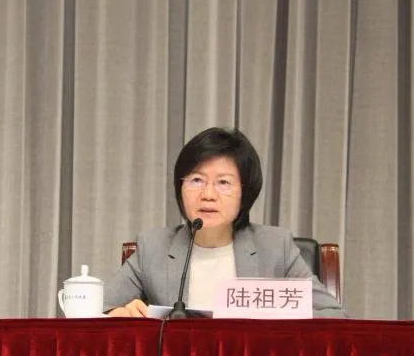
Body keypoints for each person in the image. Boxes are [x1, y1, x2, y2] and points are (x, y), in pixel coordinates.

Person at [104, 127, 346, 318]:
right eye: (196, 180)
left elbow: (334, 315)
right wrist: (116, 313)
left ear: (245, 194)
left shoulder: (275, 248)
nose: (208, 194)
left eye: (223, 183)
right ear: (180, 188)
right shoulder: (154, 247)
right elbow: (97, 308)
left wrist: (275, 318)